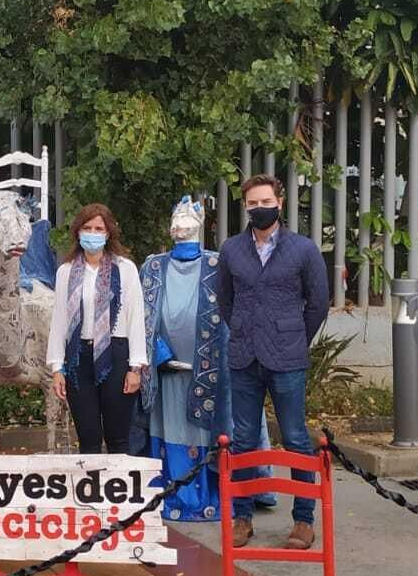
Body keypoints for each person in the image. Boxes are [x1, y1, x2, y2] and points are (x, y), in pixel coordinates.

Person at [138, 196, 275, 519]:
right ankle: (172, 493)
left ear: (202, 225)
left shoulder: (218, 264)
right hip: (166, 373)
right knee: (170, 427)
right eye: (178, 217)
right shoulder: (153, 266)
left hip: (211, 373)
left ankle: (215, 492)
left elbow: (238, 310)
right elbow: (141, 312)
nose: (183, 224)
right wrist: (157, 352)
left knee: (210, 429)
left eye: (190, 218)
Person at [220, 175, 330, 550]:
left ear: (279, 203)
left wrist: (295, 335)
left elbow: (318, 303)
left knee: (296, 438)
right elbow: (225, 300)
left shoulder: (303, 249)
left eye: (265, 201)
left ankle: (303, 521)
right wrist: (243, 328)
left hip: (288, 357)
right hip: (243, 356)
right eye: (252, 203)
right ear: (246, 207)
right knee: (244, 440)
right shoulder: (232, 250)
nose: (258, 208)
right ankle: (242, 517)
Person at [48, 203, 146, 456]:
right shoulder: (66, 272)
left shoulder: (125, 269)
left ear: (108, 233)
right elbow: (59, 319)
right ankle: (90, 493)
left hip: (116, 354)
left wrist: (136, 367)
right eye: (87, 227)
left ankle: (118, 494)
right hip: (78, 358)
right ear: (78, 233)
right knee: (88, 438)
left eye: (98, 228)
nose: (93, 233)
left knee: (118, 439)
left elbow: (136, 318)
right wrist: (57, 367)